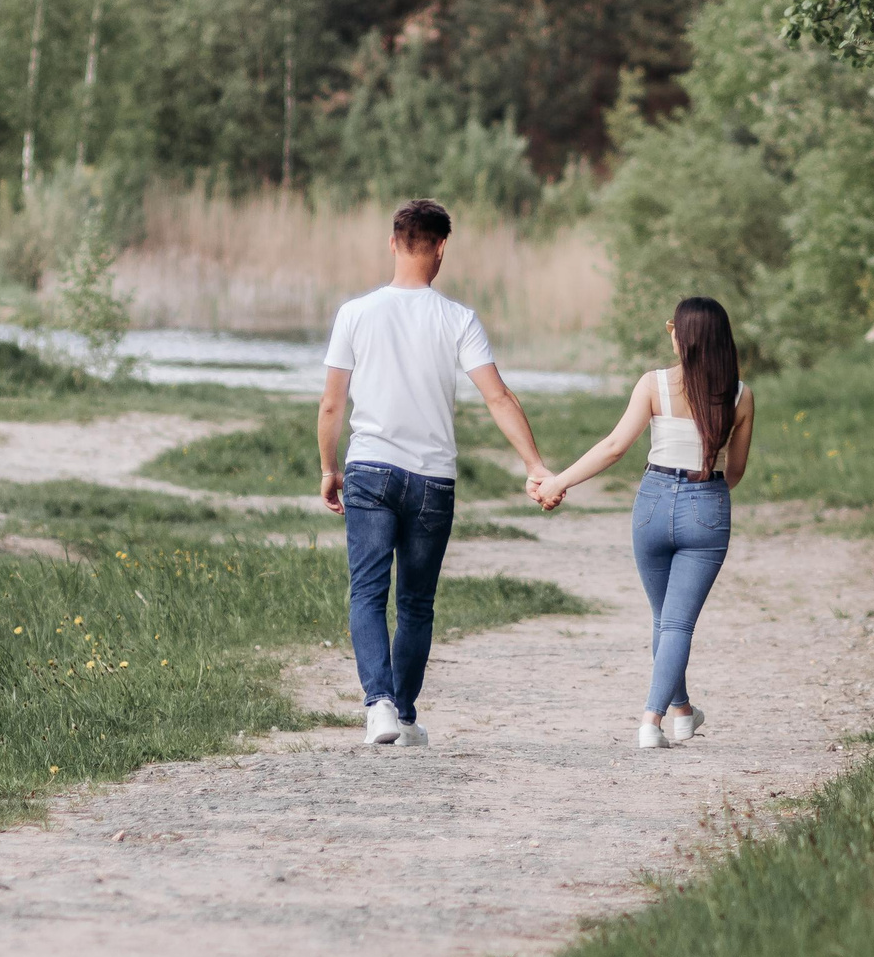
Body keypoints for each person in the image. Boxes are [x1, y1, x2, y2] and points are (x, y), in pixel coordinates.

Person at [319, 199, 553, 746]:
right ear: (441, 247)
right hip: (432, 481)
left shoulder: (355, 313)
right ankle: (401, 714)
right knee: (417, 603)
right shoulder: (457, 318)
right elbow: (497, 396)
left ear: (393, 242)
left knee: (367, 593)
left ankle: (378, 703)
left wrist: (330, 467)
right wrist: (535, 464)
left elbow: (333, 405)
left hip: (370, 470)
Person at [533, 296, 755, 750]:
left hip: (652, 503)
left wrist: (559, 481)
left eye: (673, 327)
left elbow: (614, 446)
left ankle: (679, 714)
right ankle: (657, 720)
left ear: (682, 337)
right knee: (675, 624)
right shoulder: (740, 395)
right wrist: (707, 497)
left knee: (664, 621)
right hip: (707, 503)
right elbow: (734, 471)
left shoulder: (654, 384)